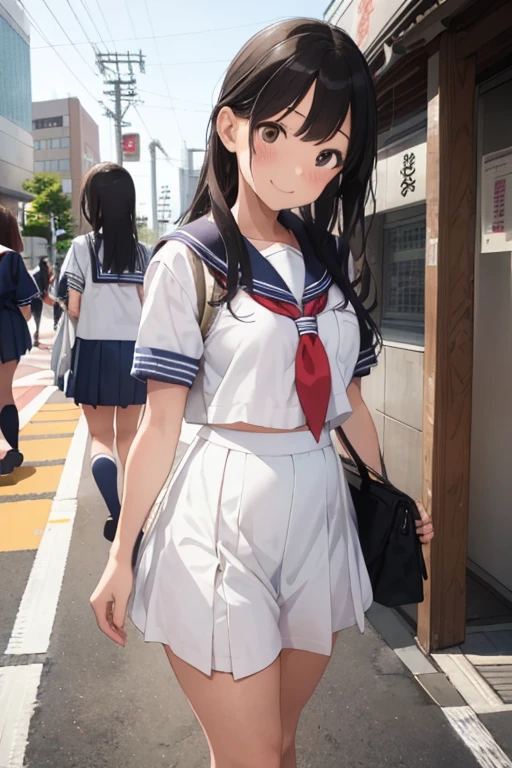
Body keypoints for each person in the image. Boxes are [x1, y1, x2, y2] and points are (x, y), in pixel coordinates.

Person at [90, 20, 434, 768]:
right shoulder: (188, 263)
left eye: (329, 152)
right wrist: (122, 555)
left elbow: (351, 402)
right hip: (220, 506)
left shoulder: (331, 258)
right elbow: (158, 427)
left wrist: (390, 499)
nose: (301, 168)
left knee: (280, 745)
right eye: (278, 132)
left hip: (317, 504)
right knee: (247, 757)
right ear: (231, 126)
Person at [64, 162, 148, 541]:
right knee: (129, 438)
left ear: (92, 203)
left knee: (100, 439)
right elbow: (150, 308)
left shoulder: (81, 248)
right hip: (133, 352)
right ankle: (134, 514)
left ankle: (116, 513)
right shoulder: (144, 254)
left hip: (94, 352)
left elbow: (74, 307)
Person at [0, 206, 39, 475]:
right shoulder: (10, 258)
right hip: (6, 330)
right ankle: (9, 452)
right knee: (4, 393)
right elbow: (26, 306)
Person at [30, 257, 55, 347]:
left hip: (33, 298)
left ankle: (35, 335)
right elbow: (46, 290)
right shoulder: (46, 276)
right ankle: (36, 334)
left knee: (32, 318)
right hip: (39, 299)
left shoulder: (37, 274)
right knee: (37, 318)